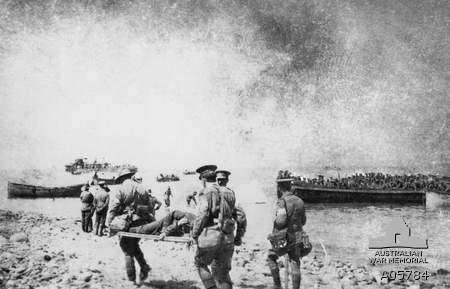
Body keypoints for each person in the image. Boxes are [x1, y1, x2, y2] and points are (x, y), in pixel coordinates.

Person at [192, 165, 246, 289]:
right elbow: (241, 216)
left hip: (210, 236)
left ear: (203, 179)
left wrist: (194, 234)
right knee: (223, 273)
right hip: (227, 237)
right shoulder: (229, 192)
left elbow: (203, 214)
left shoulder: (205, 192)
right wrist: (239, 236)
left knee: (200, 264)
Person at [107, 170, 152, 285]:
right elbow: (150, 207)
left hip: (125, 223)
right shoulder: (142, 188)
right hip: (141, 223)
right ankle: (144, 266)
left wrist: (109, 223)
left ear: (121, 179)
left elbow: (113, 208)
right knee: (134, 244)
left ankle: (132, 279)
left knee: (127, 250)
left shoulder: (121, 189)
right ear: (130, 176)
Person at [267, 177, 307, 289]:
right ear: (290, 186)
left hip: (284, 238)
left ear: (279, 187)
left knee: (271, 257)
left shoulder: (282, 201)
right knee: (295, 262)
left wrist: (274, 221)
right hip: (297, 236)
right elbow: (303, 221)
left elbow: (281, 221)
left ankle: (277, 286)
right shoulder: (300, 201)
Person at [130, 210, 196, 237]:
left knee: (152, 233)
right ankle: (129, 229)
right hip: (164, 223)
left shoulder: (195, 222)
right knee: (144, 230)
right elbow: (171, 215)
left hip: (172, 229)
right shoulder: (187, 218)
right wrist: (165, 231)